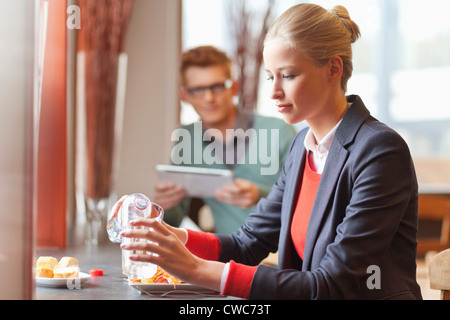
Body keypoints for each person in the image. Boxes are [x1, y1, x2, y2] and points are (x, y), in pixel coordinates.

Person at [117, 3, 422, 299]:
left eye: (287, 75)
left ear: (332, 69)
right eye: (270, 76)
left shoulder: (379, 150)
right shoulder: (301, 148)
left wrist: (197, 269)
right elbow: (247, 243)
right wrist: (166, 235)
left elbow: (333, 285)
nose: (274, 91)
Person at [155, 45, 297, 234]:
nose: (209, 98)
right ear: (185, 96)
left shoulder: (279, 131)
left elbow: (308, 201)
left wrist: (259, 195)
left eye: (217, 87)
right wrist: (163, 206)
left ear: (233, 87)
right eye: (198, 90)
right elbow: (174, 220)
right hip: (228, 258)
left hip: (283, 256)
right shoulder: (187, 139)